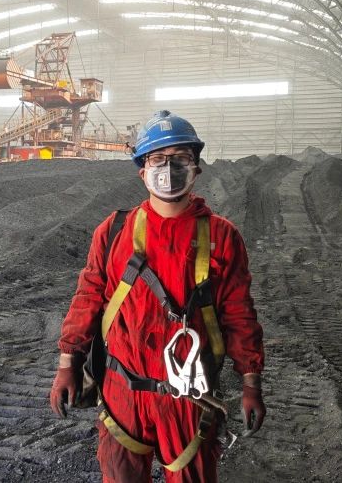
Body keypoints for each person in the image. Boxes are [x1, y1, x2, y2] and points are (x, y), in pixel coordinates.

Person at [49, 110, 265, 482]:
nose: (168, 168)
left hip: (188, 398)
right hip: (122, 392)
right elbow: (88, 297)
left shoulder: (221, 236)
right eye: (158, 159)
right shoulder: (114, 231)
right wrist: (68, 363)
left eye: (180, 158)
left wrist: (251, 382)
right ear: (142, 170)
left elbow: (239, 314)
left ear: (196, 168)